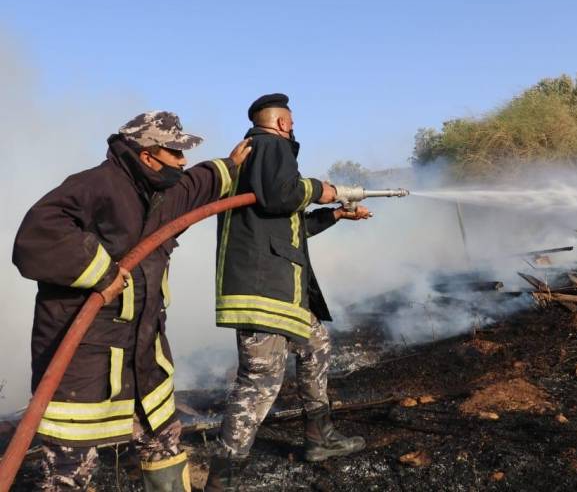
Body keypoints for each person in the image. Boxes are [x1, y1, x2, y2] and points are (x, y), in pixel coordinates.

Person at [13, 111, 252, 491]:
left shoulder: (159, 192)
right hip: (84, 358)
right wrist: (102, 274)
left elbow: (194, 187)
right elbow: (37, 237)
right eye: (176, 153)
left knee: (164, 443)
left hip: (143, 354)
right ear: (147, 155)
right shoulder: (96, 186)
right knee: (69, 469)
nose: (183, 161)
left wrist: (229, 167)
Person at [206, 94, 370, 490]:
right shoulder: (271, 147)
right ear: (281, 123)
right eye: (292, 123)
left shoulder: (256, 162)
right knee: (259, 381)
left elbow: (289, 228)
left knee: (316, 345)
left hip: (278, 287)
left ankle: (320, 438)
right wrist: (323, 189)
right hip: (263, 292)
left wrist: (334, 214)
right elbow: (284, 196)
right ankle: (223, 479)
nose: (293, 129)